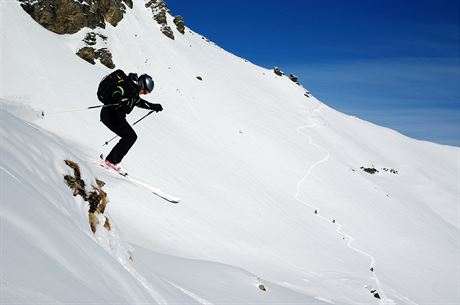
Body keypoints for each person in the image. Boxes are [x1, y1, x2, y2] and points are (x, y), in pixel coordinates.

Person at [97, 69, 163, 173]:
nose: (145, 94)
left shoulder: (134, 93)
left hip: (116, 116)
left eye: (147, 93)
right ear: (142, 85)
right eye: (145, 91)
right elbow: (118, 91)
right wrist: (118, 98)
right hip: (110, 114)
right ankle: (111, 161)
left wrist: (153, 106)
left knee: (130, 136)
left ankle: (112, 160)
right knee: (130, 136)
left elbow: (140, 102)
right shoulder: (128, 86)